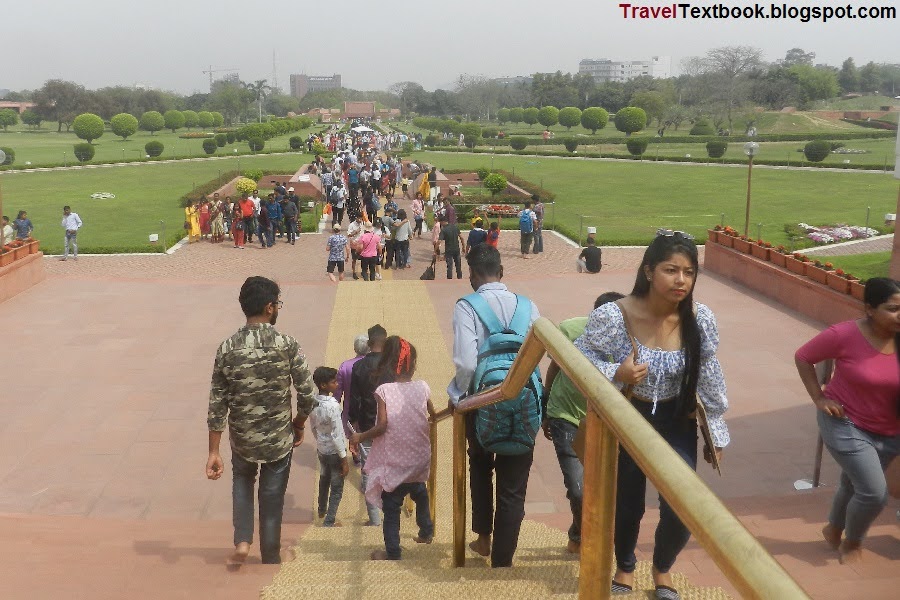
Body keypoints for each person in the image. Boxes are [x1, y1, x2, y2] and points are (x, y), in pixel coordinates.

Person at [574, 230, 730, 597]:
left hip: (677, 421)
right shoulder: (615, 316)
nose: (680, 280)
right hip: (628, 418)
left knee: (682, 505)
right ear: (648, 271)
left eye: (689, 272)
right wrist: (617, 372)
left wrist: (717, 431)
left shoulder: (699, 319)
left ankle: (662, 569)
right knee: (627, 505)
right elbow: (578, 356)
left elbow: (708, 375)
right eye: (670, 270)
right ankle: (626, 566)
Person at [206, 276, 317, 565]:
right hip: (279, 437)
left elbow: (218, 402)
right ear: (269, 308)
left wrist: (213, 451)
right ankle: (270, 553)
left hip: (242, 437)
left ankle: (243, 539)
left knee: (242, 480)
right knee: (272, 496)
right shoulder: (287, 344)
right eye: (277, 304)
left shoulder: (227, 348)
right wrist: (299, 423)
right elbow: (307, 394)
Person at [447, 244, 541, 568]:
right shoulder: (529, 306)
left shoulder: (467, 306)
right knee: (513, 484)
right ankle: (503, 560)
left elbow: (466, 362)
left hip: (481, 401)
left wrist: (463, 398)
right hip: (523, 398)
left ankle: (483, 537)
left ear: (471, 274)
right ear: (502, 271)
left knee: (481, 466)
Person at [794, 277, 899, 564]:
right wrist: (820, 398)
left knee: (854, 484)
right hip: (845, 423)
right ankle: (852, 542)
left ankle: (833, 529)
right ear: (869, 308)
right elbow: (803, 357)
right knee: (874, 493)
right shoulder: (843, 335)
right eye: (892, 308)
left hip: (890, 430)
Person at [541, 292, 625, 555]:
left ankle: (583, 534)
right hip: (566, 416)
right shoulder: (570, 330)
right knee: (578, 487)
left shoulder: (626, 341)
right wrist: (545, 408)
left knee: (602, 486)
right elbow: (555, 367)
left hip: (603, 420)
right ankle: (583, 535)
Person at [349, 336, 435, 560]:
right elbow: (433, 415)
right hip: (419, 458)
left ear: (388, 363)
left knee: (391, 507)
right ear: (413, 364)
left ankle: (392, 551)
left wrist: (360, 436)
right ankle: (426, 530)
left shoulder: (384, 391)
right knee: (420, 492)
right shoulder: (423, 387)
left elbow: (383, 426)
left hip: (396, 462)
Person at [348, 324, 391, 526]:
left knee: (368, 469)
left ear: (369, 342)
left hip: (366, 422)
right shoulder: (392, 366)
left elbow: (354, 398)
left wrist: (354, 424)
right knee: (389, 467)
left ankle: (374, 519)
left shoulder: (359, 367)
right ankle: (391, 515)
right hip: (390, 423)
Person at [310, 366, 350, 527]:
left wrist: (319, 440)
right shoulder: (333, 405)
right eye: (333, 382)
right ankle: (330, 520)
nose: (337, 384)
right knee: (337, 486)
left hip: (321, 447)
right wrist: (344, 458)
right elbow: (337, 433)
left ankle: (321, 509)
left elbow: (313, 426)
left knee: (324, 478)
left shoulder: (313, 402)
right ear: (323, 385)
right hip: (334, 450)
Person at [438, 215, 465, 280]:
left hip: (449, 250)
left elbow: (439, 241)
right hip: (456, 249)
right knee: (458, 265)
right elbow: (461, 237)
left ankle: (449, 280)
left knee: (449, 266)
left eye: (441, 223)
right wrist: (463, 247)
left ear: (443, 222)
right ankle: (460, 278)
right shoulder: (455, 227)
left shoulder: (444, 230)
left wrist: (435, 250)